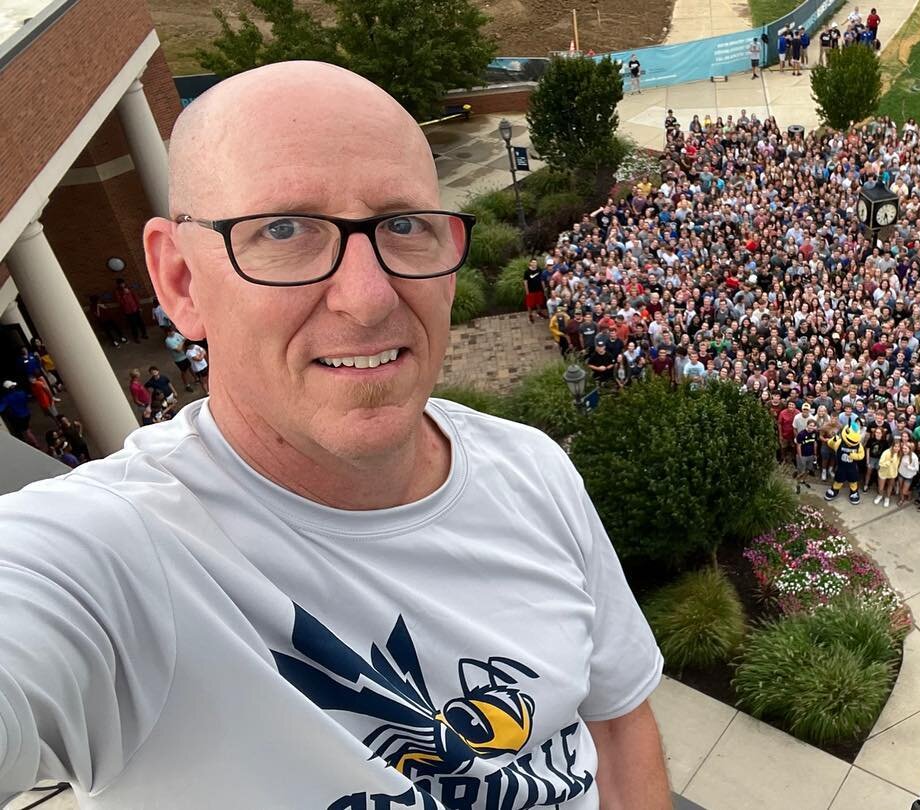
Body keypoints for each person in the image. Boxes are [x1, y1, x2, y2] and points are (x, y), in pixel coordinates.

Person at [0, 62, 667, 807]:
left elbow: (617, 722)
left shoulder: (534, 469)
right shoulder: (109, 561)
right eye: (284, 230)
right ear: (182, 281)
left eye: (404, 225)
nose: (367, 298)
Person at [164, 326, 197, 391]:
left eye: (173, 331)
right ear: (168, 333)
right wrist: (182, 342)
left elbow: (184, 339)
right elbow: (178, 349)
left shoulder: (176, 334)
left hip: (186, 355)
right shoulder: (168, 341)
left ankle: (196, 378)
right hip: (179, 359)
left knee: (190, 367)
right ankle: (187, 385)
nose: (174, 332)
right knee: (184, 371)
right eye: (172, 331)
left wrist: (182, 341)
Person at [876, 437, 901, 507]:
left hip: (892, 473)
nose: (897, 448)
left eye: (898, 447)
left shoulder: (899, 454)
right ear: (892, 446)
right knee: (881, 487)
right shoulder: (886, 452)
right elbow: (880, 463)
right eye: (895, 446)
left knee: (890, 486)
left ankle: (887, 498)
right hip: (883, 473)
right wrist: (888, 462)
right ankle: (880, 495)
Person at [523, 257, 547, 323]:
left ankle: (539, 312)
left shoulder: (539, 269)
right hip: (531, 291)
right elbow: (525, 282)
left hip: (539, 290)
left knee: (538, 302)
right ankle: (530, 315)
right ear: (530, 263)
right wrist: (527, 291)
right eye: (533, 262)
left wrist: (544, 288)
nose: (534, 264)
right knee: (530, 304)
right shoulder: (527, 272)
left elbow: (542, 280)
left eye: (535, 262)